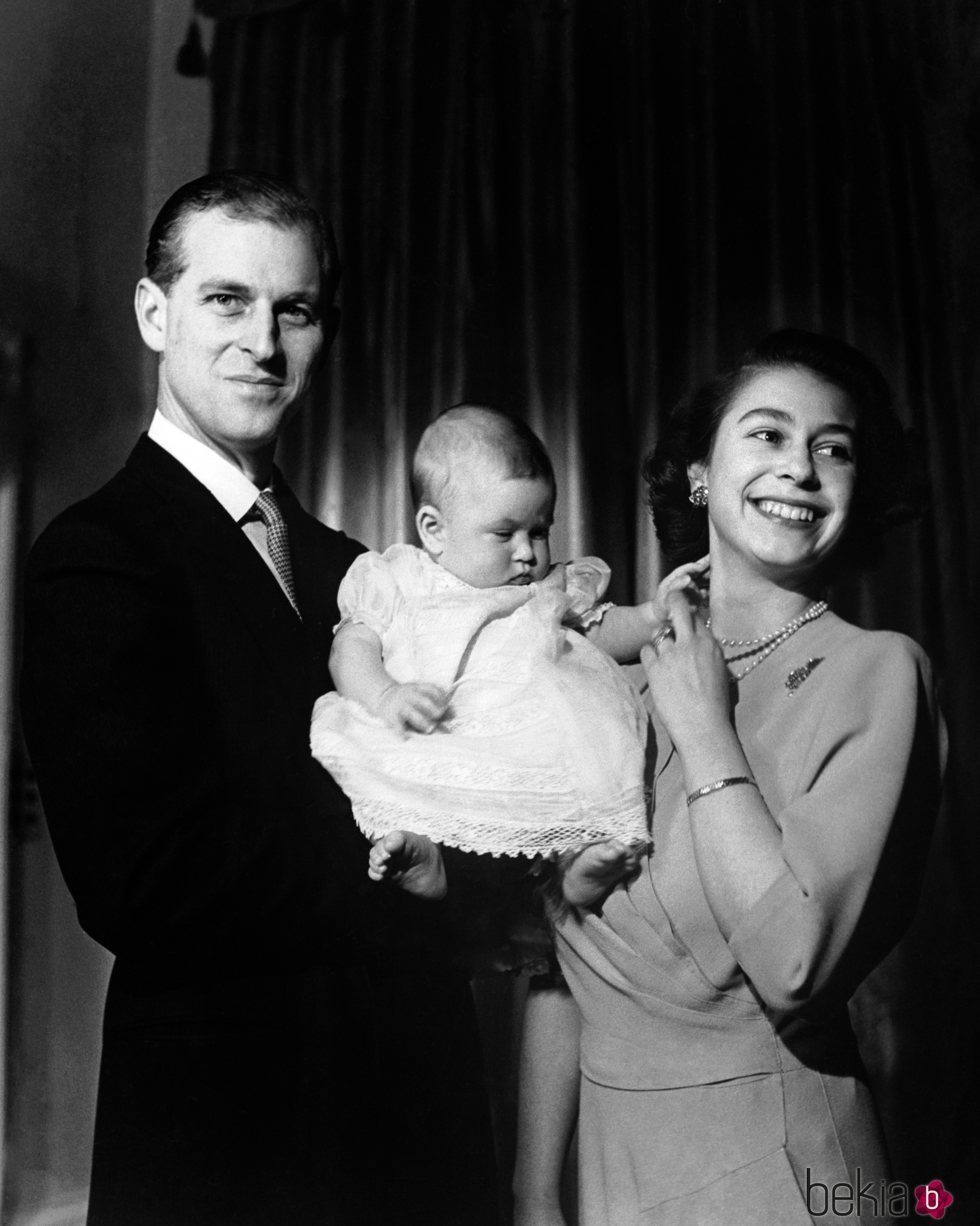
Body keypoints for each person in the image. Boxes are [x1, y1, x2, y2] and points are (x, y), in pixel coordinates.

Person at [20, 171, 500, 1226]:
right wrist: (408, 869)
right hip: (228, 1135)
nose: (264, 342)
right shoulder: (98, 557)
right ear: (156, 314)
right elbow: (142, 877)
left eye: (296, 309)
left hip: (415, 1122)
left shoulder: (353, 568)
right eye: (226, 300)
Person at [512, 330, 946, 1225]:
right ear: (700, 472)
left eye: (834, 449)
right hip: (610, 1167)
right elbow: (550, 956)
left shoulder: (878, 674)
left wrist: (708, 733)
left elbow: (794, 965)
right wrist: (531, 1192)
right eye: (769, 435)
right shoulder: (610, 679)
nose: (801, 467)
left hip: (782, 1168)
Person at [311, 404, 705, 872]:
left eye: (539, 532)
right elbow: (349, 649)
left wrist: (652, 613)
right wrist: (386, 695)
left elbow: (600, 631)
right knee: (387, 774)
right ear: (433, 530)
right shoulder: (398, 578)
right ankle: (427, 853)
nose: (526, 553)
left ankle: (571, 869)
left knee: (579, 779)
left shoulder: (546, 589)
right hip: (437, 731)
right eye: (504, 533)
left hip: (529, 738)